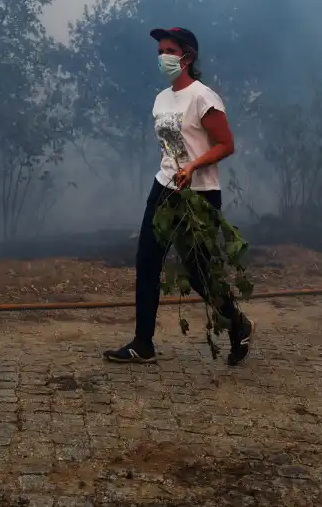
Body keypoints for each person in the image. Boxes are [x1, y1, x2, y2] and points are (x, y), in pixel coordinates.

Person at [104, 27, 253, 365]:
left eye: (169, 50)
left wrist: (194, 166)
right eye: (159, 51)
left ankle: (237, 323)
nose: (162, 57)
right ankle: (143, 343)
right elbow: (171, 149)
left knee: (198, 271)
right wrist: (174, 171)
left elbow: (226, 145)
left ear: (187, 56)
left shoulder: (204, 97)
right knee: (146, 262)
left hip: (198, 195)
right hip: (164, 187)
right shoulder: (161, 98)